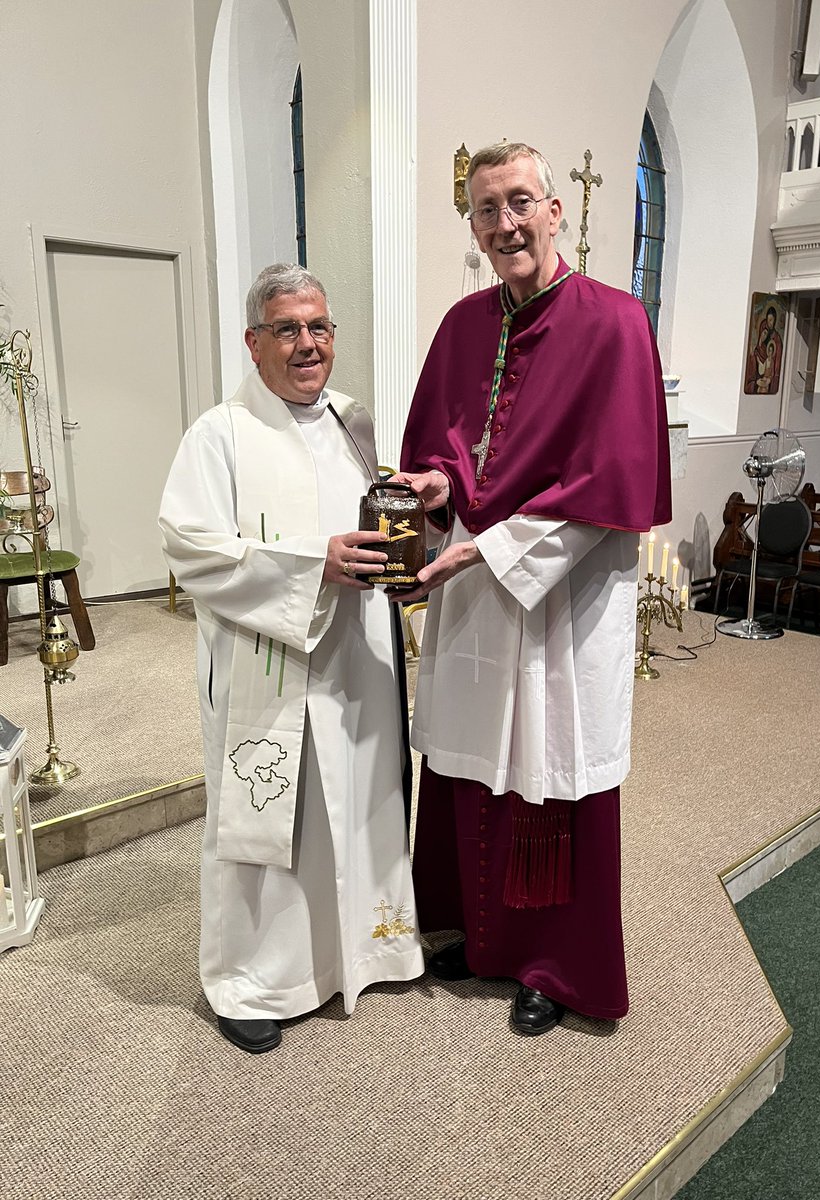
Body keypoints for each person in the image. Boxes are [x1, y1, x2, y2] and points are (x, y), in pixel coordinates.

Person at [394, 142, 671, 1036]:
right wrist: (438, 489)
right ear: (471, 225)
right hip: (471, 585)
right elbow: (440, 452)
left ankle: (552, 963)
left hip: (560, 590)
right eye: (486, 209)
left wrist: (497, 547)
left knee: (549, 772)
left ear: (554, 211)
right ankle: (474, 941)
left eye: (520, 202)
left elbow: (613, 486)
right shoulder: (461, 325)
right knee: (471, 758)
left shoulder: (616, 322)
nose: (505, 223)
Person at [159, 263, 423, 1054]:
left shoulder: (354, 420)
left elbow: (384, 513)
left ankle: (364, 952)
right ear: (254, 342)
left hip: (356, 656)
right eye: (287, 329)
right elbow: (191, 551)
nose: (307, 345)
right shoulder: (218, 435)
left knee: (360, 800)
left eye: (319, 328)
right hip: (267, 666)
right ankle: (250, 981)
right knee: (266, 821)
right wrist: (316, 563)